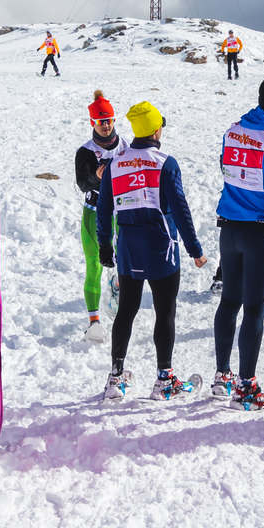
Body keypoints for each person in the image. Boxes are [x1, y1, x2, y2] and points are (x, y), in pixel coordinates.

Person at [96, 102, 208, 399]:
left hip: (129, 250)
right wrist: (194, 248)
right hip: (162, 249)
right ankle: (164, 379)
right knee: (164, 311)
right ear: (157, 130)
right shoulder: (165, 162)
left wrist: (104, 246)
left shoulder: (116, 163)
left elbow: (103, 208)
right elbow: (181, 210)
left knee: (126, 311)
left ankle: (116, 377)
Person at [212, 77, 264, 407]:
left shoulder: (233, 130)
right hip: (260, 230)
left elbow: (225, 166)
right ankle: (247, 387)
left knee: (229, 300)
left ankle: (222, 377)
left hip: (230, 227)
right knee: (255, 310)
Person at [72, 91, 126, 335]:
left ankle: (117, 289)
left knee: (124, 261)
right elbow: (82, 183)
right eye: (100, 122)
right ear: (92, 123)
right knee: (94, 264)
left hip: (122, 211)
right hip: (94, 212)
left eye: (109, 121)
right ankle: (94, 321)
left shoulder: (125, 146)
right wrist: (96, 176)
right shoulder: (85, 151)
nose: (105, 126)